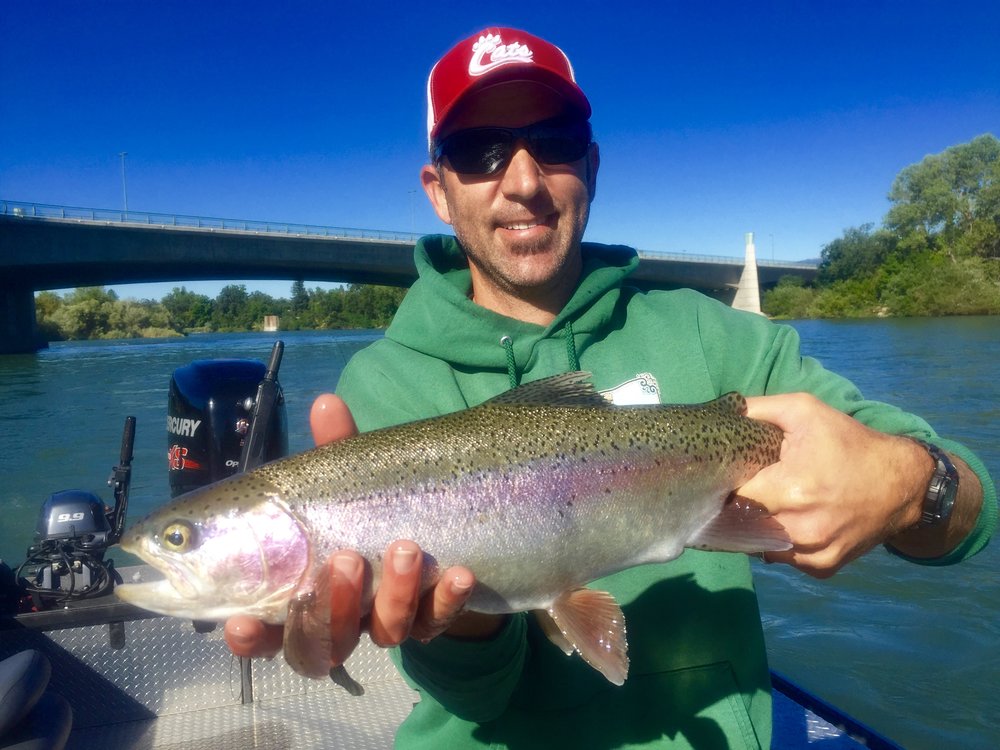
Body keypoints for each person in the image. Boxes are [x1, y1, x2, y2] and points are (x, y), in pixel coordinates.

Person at [225, 27, 997, 749]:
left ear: (590, 166)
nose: (523, 181)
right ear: (438, 187)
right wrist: (463, 623)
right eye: (481, 150)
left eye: (552, 143)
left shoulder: (715, 339)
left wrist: (909, 484)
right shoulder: (382, 386)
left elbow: (973, 511)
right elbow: (477, 701)